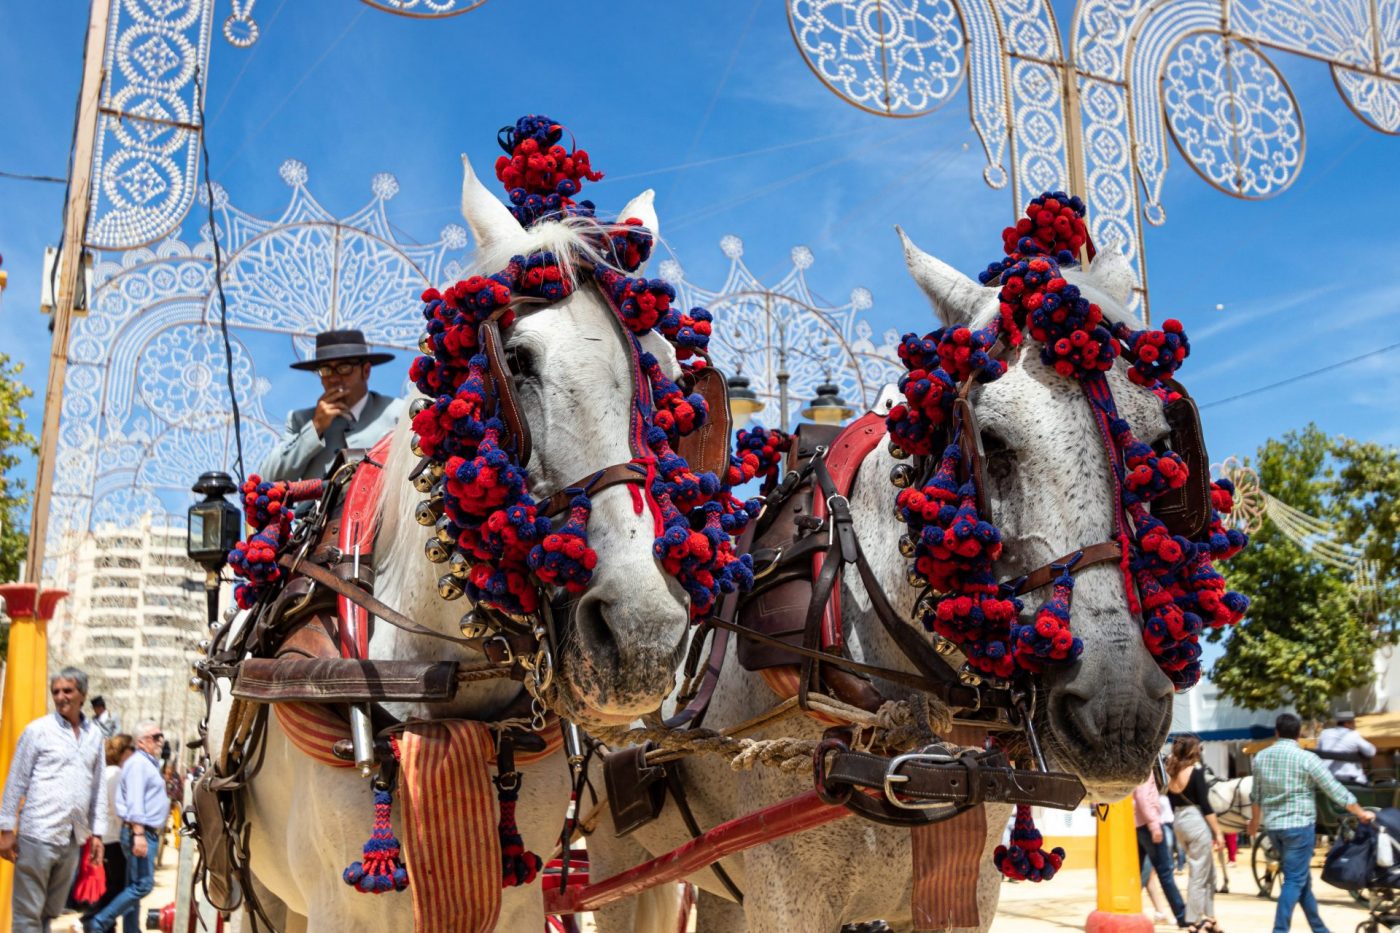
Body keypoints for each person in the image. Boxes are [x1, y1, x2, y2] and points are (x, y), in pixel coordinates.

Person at [0, 668, 107, 933]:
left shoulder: (95, 735)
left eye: (67, 691)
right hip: (37, 833)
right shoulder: (37, 731)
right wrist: (5, 828)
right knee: (27, 915)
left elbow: (99, 786)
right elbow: (16, 779)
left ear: (82, 695)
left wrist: (98, 835)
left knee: (51, 912)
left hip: (72, 837)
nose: (60, 697)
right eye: (56, 692)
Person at [1248, 712, 1375, 933]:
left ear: (1277, 732)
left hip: (1274, 828)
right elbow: (1334, 789)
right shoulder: (1306, 758)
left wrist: (1254, 822)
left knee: (1301, 881)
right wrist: (1360, 812)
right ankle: (1280, 930)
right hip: (1299, 827)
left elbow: (1256, 796)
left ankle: (1320, 929)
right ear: (1299, 735)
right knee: (1294, 881)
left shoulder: (1261, 758)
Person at [257, 329, 402, 481]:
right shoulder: (300, 420)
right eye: (326, 370)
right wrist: (315, 427)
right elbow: (268, 478)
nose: (333, 378)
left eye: (344, 368)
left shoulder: (397, 414)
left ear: (365, 371)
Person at [87, 722, 170, 933]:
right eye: (155, 736)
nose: (160, 740)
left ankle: (131, 930)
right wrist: (139, 833)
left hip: (143, 832)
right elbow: (135, 801)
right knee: (143, 885)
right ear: (141, 742)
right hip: (140, 833)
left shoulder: (146, 763)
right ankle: (98, 923)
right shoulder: (138, 764)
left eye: (160, 736)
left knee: (133, 886)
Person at [74, 735, 134, 929]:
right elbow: (119, 809)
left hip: (101, 837)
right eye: (130, 749)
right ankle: (93, 921)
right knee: (117, 887)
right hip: (113, 838)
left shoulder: (102, 773)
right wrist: (128, 828)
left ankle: (98, 923)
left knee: (108, 886)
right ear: (123, 752)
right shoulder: (116, 774)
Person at [1166, 735, 1224, 932]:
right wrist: (1218, 833)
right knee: (1199, 873)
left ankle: (1210, 918)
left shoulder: (1173, 773)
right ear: (1194, 750)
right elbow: (1206, 806)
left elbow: (1171, 802)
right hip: (1195, 821)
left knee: (1209, 872)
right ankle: (1193, 921)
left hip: (1179, 823)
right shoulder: (1196, 771)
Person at [1133, 774, 1188, 927]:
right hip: (1148, 825)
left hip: (1138, 824)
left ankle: (1127, 908)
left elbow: (1168, 780)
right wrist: (1154, 825)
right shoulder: (1144, 765)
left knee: (1141, 872)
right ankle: (1182, 915)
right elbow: (1143, 796)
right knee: (1165, 872)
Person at [1317, 709, 1376, 785]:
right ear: (1347, 724)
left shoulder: (1325, 733)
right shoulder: (1353, 735)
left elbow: (1318, 754)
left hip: (1329, 781)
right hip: (1351, 781)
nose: (1355, 725)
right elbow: (1371, 752)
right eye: (1353, 723)